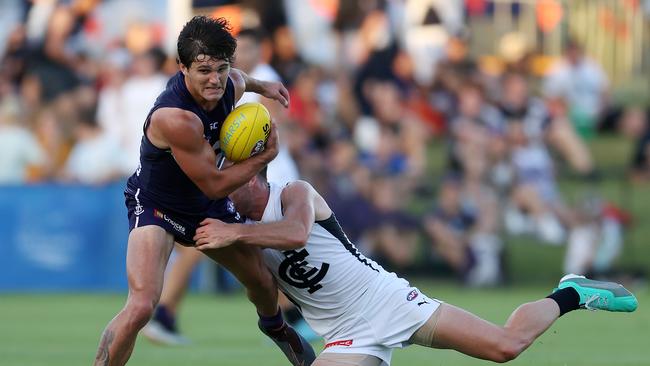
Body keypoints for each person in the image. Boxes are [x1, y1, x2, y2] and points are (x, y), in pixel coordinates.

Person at [193, 170, 638, 366]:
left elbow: (293, 234)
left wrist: (235, 235)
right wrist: (277, 328)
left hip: (386, 299)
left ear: (253, 176)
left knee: (505, 346)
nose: (222, 191)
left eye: (228, 180)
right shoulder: (239, 228)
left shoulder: (293, 193)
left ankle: (571, 292)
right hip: (345, 333)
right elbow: (260, 286)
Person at [93, 16, 315, 366]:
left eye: (222, 68)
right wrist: (266, 156)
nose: (215, 79)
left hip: (203, 204)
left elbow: (243, 80)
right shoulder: (176, 117)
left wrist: (266, 87)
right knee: (141, 305)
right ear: (182, 68)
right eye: (204, 70)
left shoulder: (230, 83)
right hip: (157, 205)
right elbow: (215, 182)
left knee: (261, 281)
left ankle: (275, 329)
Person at [142, 27, 310, 346]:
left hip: (268, 170)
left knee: (242, 244)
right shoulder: (220, 77)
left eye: (248, 47)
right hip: (247, 172)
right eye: (240, 48)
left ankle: (292, 316)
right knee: (219, 240)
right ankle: (294, 318)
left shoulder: (246, 75)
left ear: (261, 50)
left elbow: (265, 124)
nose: (242, 54)